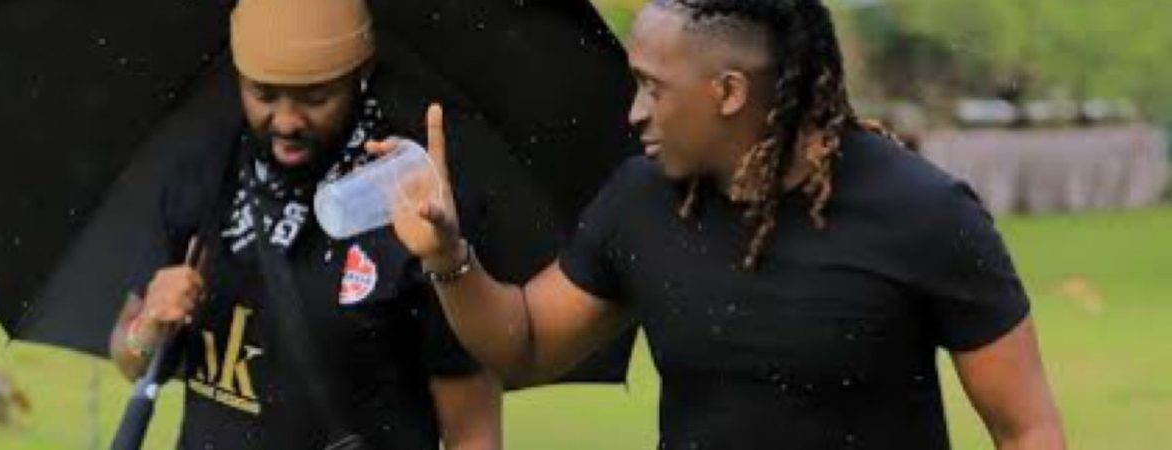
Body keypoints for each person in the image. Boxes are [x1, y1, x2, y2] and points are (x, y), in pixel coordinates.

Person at [374, 0, 1066, 448]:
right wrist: (449, 255)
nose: (634, 113)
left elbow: (1027, 428)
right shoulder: (641, 202)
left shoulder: (926, 213)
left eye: (653, 87)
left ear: (728, 92)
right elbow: (525, 346)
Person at [106, 0, 500, 448]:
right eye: (263, 95)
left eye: (315, 98)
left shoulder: (413, 203)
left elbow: (473, 426)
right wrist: (148, 326)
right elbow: (127, 355)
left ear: (360, 75)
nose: (287, 121)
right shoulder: (204, 176)